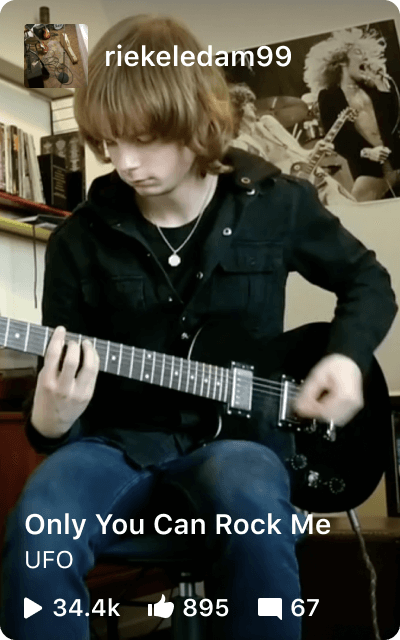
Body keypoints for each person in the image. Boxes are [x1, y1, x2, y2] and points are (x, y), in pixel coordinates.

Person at [0, 15, 397, 640]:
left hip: (241, 444)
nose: (125, 163)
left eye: (145, 140)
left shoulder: (276, 204)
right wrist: (50, 420)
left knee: (252, 509)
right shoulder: (79, 240)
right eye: (110, 143)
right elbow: (64, 384)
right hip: (115, 444)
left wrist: (345, 358)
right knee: (38, 529)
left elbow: (368, 281)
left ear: (196, 120)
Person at [304, 27, 400, 201]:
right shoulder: (329, 96)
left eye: (365, 53)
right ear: (341, 61)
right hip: (367, 169)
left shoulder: (373, 89)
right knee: (363, 209)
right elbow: (338, 140)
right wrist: (366, 152)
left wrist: (381, 84)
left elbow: (393, 122)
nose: (364, 57)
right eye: (358, 52)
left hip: (396, 159)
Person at [229, 82, 355, 207]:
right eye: (247, 102)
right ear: (237, 108)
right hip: (288, 190)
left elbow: (298, 152)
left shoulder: (267, 122)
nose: (253, 106)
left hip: (308, 173)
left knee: (343, 199)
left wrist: (316, 149)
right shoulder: (239, 143)